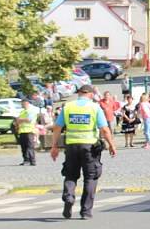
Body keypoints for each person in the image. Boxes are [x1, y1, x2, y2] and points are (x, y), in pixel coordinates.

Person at [50, 85, 116, 219]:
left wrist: (54, 146)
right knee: (91, 177)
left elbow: (57, 127)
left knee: (70, 175)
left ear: (79, 93)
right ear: (90, 94)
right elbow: (104, 129)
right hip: (89, 146)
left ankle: (68, 196)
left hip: (71, 146)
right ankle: (85, 211)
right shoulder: (94, 107)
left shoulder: (68, 107)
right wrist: (111, 145)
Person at [16, 98, 38, 166]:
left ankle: (32, 160)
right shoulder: (22, 111)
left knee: (30, 147)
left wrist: (20, 119)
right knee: (23, 147)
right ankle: (26, 160)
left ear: (27, 103)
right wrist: (20, 120)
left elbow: (29, 119)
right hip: (22, 131)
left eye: (23, 103)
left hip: (29, 131)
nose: (22, 104)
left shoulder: (31, 111)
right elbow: (17, 121)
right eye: (21, 103)